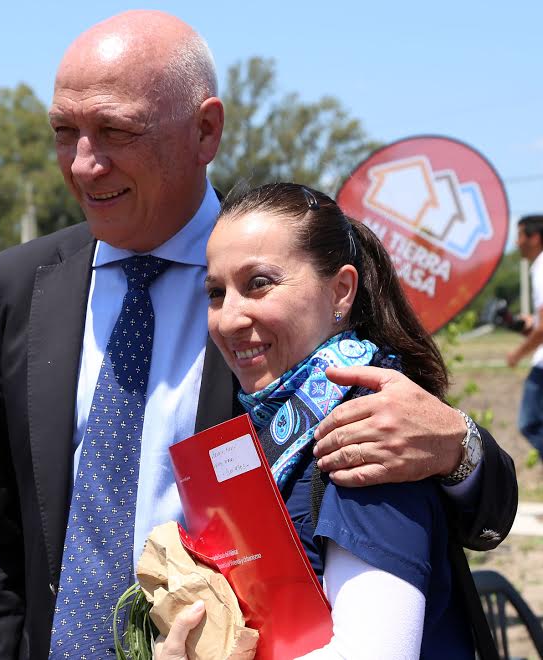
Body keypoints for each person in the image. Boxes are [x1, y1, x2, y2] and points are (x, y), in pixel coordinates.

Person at [0, 10, 517, 659]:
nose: (84, 164)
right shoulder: (18, 286)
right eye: (63, 132)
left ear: (204, 128)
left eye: (114, 130)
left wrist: (458, 448)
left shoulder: (298, 292)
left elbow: (431, 508)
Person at [160, 182, 487, 659]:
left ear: (341, 291)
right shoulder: (267, 420)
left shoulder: (372, 428)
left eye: (258, 283)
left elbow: (376, 651)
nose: (228, 318)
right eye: (215, 291)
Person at [507, 214, 543, 455]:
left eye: (520, 235)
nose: (516, 242)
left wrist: (516, 354)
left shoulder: (541, 267)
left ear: (535, 237)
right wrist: (524, 325)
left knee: (529, 423)